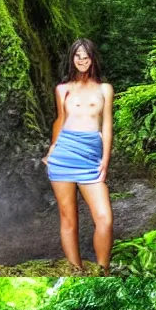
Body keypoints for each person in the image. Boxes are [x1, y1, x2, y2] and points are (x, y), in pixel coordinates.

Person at [42, 39, 114, 271]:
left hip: (91, 157)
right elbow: (60, 121)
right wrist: (52, 148)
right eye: (77, 56)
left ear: (93, 59)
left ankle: (103, 271)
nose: (82, 60)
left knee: (104, 218)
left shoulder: (105, 89)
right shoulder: (63, 89)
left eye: (86, 56)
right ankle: (77, 271)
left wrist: (105, 160)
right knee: (68, 218)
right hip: (64, 155)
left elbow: (107, 126)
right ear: (72, 59)